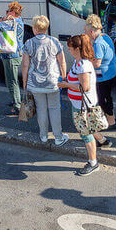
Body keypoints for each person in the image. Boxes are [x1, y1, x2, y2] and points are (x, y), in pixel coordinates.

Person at [58, 34, 111, 176]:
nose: (68, 50)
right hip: (82, 104)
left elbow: (85, 86)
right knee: (90, 127)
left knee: (86, 134)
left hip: (82, 106)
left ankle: (93, 163)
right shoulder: (81, 62)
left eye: (70, 48)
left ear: (77, 48)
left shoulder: (82, 65)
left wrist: (65, 84)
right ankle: (103, 141)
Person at [21, 15, 68, 145]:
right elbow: (62, 61)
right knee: (54, 108)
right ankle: (58, 137)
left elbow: (25, 65)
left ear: (35, 28)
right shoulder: (55, 42)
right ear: (46, 28)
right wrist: (63, 77)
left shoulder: (28, 43)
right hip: (53, 82)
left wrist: (25, 82)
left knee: (41, 109)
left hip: (35, 83)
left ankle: (43, 136)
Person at [0, 1, 25, 115]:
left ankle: (17, 106)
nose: (6, 13)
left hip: (11, 56)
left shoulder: (10, 22)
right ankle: (15, 100)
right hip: (13, 54)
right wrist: (4, 19)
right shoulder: (18, 21)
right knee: (10, 80)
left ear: (12, 12)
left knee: (12, 81)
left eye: (7, 11)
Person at [85, 14, 116, 133]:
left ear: (91, 31)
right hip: (111, 71)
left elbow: (97, 64)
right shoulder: (105, 36)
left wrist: (86, 60)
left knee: (102, 99)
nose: (86, 34)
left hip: (103, 76)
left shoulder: (98, 43)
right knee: (107, 97)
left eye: (86, 31)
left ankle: (111, 122)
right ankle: (111, 117)